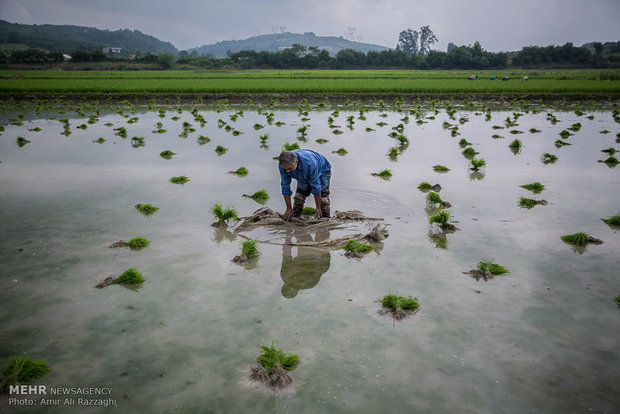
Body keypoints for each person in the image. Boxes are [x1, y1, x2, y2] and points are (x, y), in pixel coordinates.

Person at [278, 149, 331, 220]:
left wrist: (318, 208)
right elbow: (285, 186)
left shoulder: (310, 163)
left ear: (296, 162)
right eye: (285, 169)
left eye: (289, 168)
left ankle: (325, 218)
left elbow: (316, 186)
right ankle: (295, 217)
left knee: (323, 200)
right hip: (301, 171)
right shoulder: (283, 165)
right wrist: (288, 208)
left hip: (322, 170)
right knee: (299, 197)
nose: (287, 171)